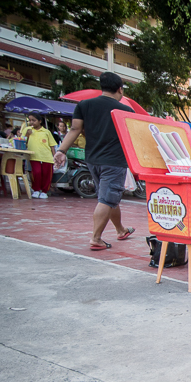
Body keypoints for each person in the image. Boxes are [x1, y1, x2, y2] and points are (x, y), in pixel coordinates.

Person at [54, 71, 136, 251]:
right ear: (120, 89)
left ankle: (121, 230)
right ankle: (96, 238)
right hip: (114, 161)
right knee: (107, 198)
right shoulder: (126, 110)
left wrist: (61, 151)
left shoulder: (84, 105)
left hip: (92, 159)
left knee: (107, 196)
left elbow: (75, 129)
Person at [21, 113, 57, 199]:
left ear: (40, 121)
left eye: (34, 120)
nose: (32, 122)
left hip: (46, 156)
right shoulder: (27, 130)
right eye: (30, 120)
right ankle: (36, 190)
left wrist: (55, 156)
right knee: (36, 173)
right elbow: (21, 142)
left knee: (46, 174)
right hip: (34, 156)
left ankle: (44, 191)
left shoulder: (46, 132)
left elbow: (52, 145)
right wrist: (27, 135)